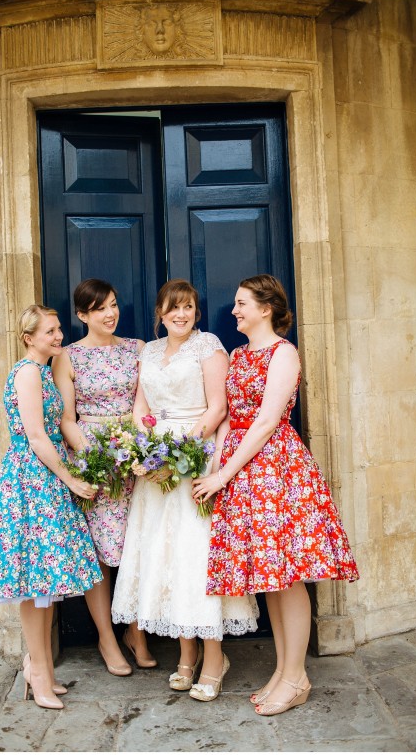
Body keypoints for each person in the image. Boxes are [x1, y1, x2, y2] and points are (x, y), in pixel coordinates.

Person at [193, 275, 360, 716]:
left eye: (242, 303)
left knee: (289, 576)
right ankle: (284, 672)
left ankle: (296, 675)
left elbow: (267, 421)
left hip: (275, 470)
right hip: (241, 470)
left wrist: (223, 475)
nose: (234, 310)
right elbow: (229, 417)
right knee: (270, 576)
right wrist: (216, 468)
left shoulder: (283, 352)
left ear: (266, 308)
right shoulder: (238, 354)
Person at [111, 279, 259, 702]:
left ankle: (214, 657)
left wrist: (177, 453)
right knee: (167, 555)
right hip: (155, 468)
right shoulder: (149, 351)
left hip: (195, 457)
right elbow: (141, 406)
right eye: (174, 307)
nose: (182, 314)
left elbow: (218, 407)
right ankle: (186, 652)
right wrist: (146, 452)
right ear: (160, 312)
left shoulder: (208, 346)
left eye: (189, 307)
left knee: (196, 556)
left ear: (196, 312)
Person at [0, 305, 101, 709]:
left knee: (44, 584)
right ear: (29, 338)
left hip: (45, 477)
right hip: (31, 480)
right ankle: (40, 674)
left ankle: (39, 667)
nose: (59, 335)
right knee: (34, 586)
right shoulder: (28, 373)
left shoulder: (43, 371)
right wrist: (71, 479)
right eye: (50, 331)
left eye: (59, 328)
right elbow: (35, 436)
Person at [53, 279, 154, 676]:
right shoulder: (68, 356)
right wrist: (96, 459)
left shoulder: (137, 348)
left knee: (137, 545)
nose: (110, 313)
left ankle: (136, 632)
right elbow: (66, 418)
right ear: (82, 315)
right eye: (99, 309)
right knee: (100, 551)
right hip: (93, 456)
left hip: (134, 454)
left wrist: (138, 450)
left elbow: (146, 405)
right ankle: (107, 638)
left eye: (113, 304)